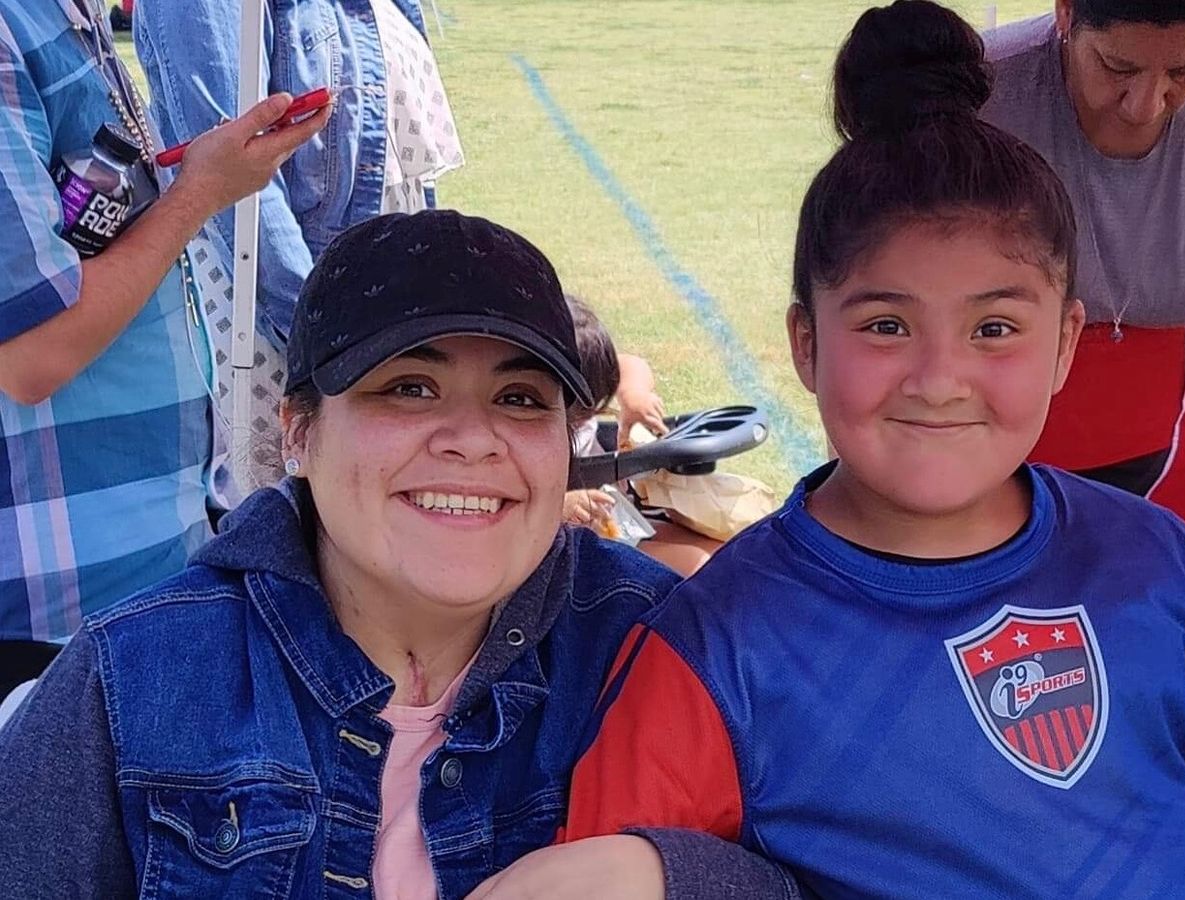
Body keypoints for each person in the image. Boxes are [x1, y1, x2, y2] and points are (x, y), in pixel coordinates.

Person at [526, 3, 1185, 897]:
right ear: (806, 344)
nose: (940, 380)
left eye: (995, 328)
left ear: (1066, 344)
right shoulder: (717, 649)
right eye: (886, 325)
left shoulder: (1158, 562)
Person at [0, 210, 798, 900]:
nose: (473, 439)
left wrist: (665, 872)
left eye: (519, 399)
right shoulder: (131, 680)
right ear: (298, 431)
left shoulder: (660, 647)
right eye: (409, 387)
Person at [0, 0, 328, 697]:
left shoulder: (67, 18)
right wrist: (199, 192)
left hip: (131, 570)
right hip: (54, 611)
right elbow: (30, 354)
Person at [134, 0, 466, 480]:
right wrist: (333, 345)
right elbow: (237, 186)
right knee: (292, 507)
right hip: (276, 314)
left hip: (369, 312)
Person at [981, 0, 1185, 528]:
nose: (1145, 105)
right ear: (1065, 13)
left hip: (1179, 435)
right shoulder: (978, 92)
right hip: (992, 425)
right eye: (1117, 67)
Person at [562, 294, 722, 576]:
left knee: (729, 548)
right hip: (578, 546)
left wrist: (633, 395)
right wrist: (563, 507)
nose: (591, 414)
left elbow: (628, 365)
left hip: (618, 515)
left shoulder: (581, 383)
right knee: (701, 566)